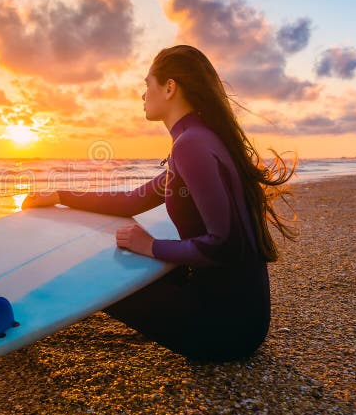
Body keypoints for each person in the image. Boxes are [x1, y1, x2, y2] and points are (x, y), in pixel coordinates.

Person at [22, 45, 296, 362]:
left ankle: (27, 315)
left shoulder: (190, 145)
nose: (142, 95)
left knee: (103, 276)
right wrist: (60, 195)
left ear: (169, 87)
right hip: (246, 320)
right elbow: (131, 200)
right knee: (124, 260)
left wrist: (151, 246)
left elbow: (223, 245)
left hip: (224, 329)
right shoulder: (200, 138)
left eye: (146, 84)